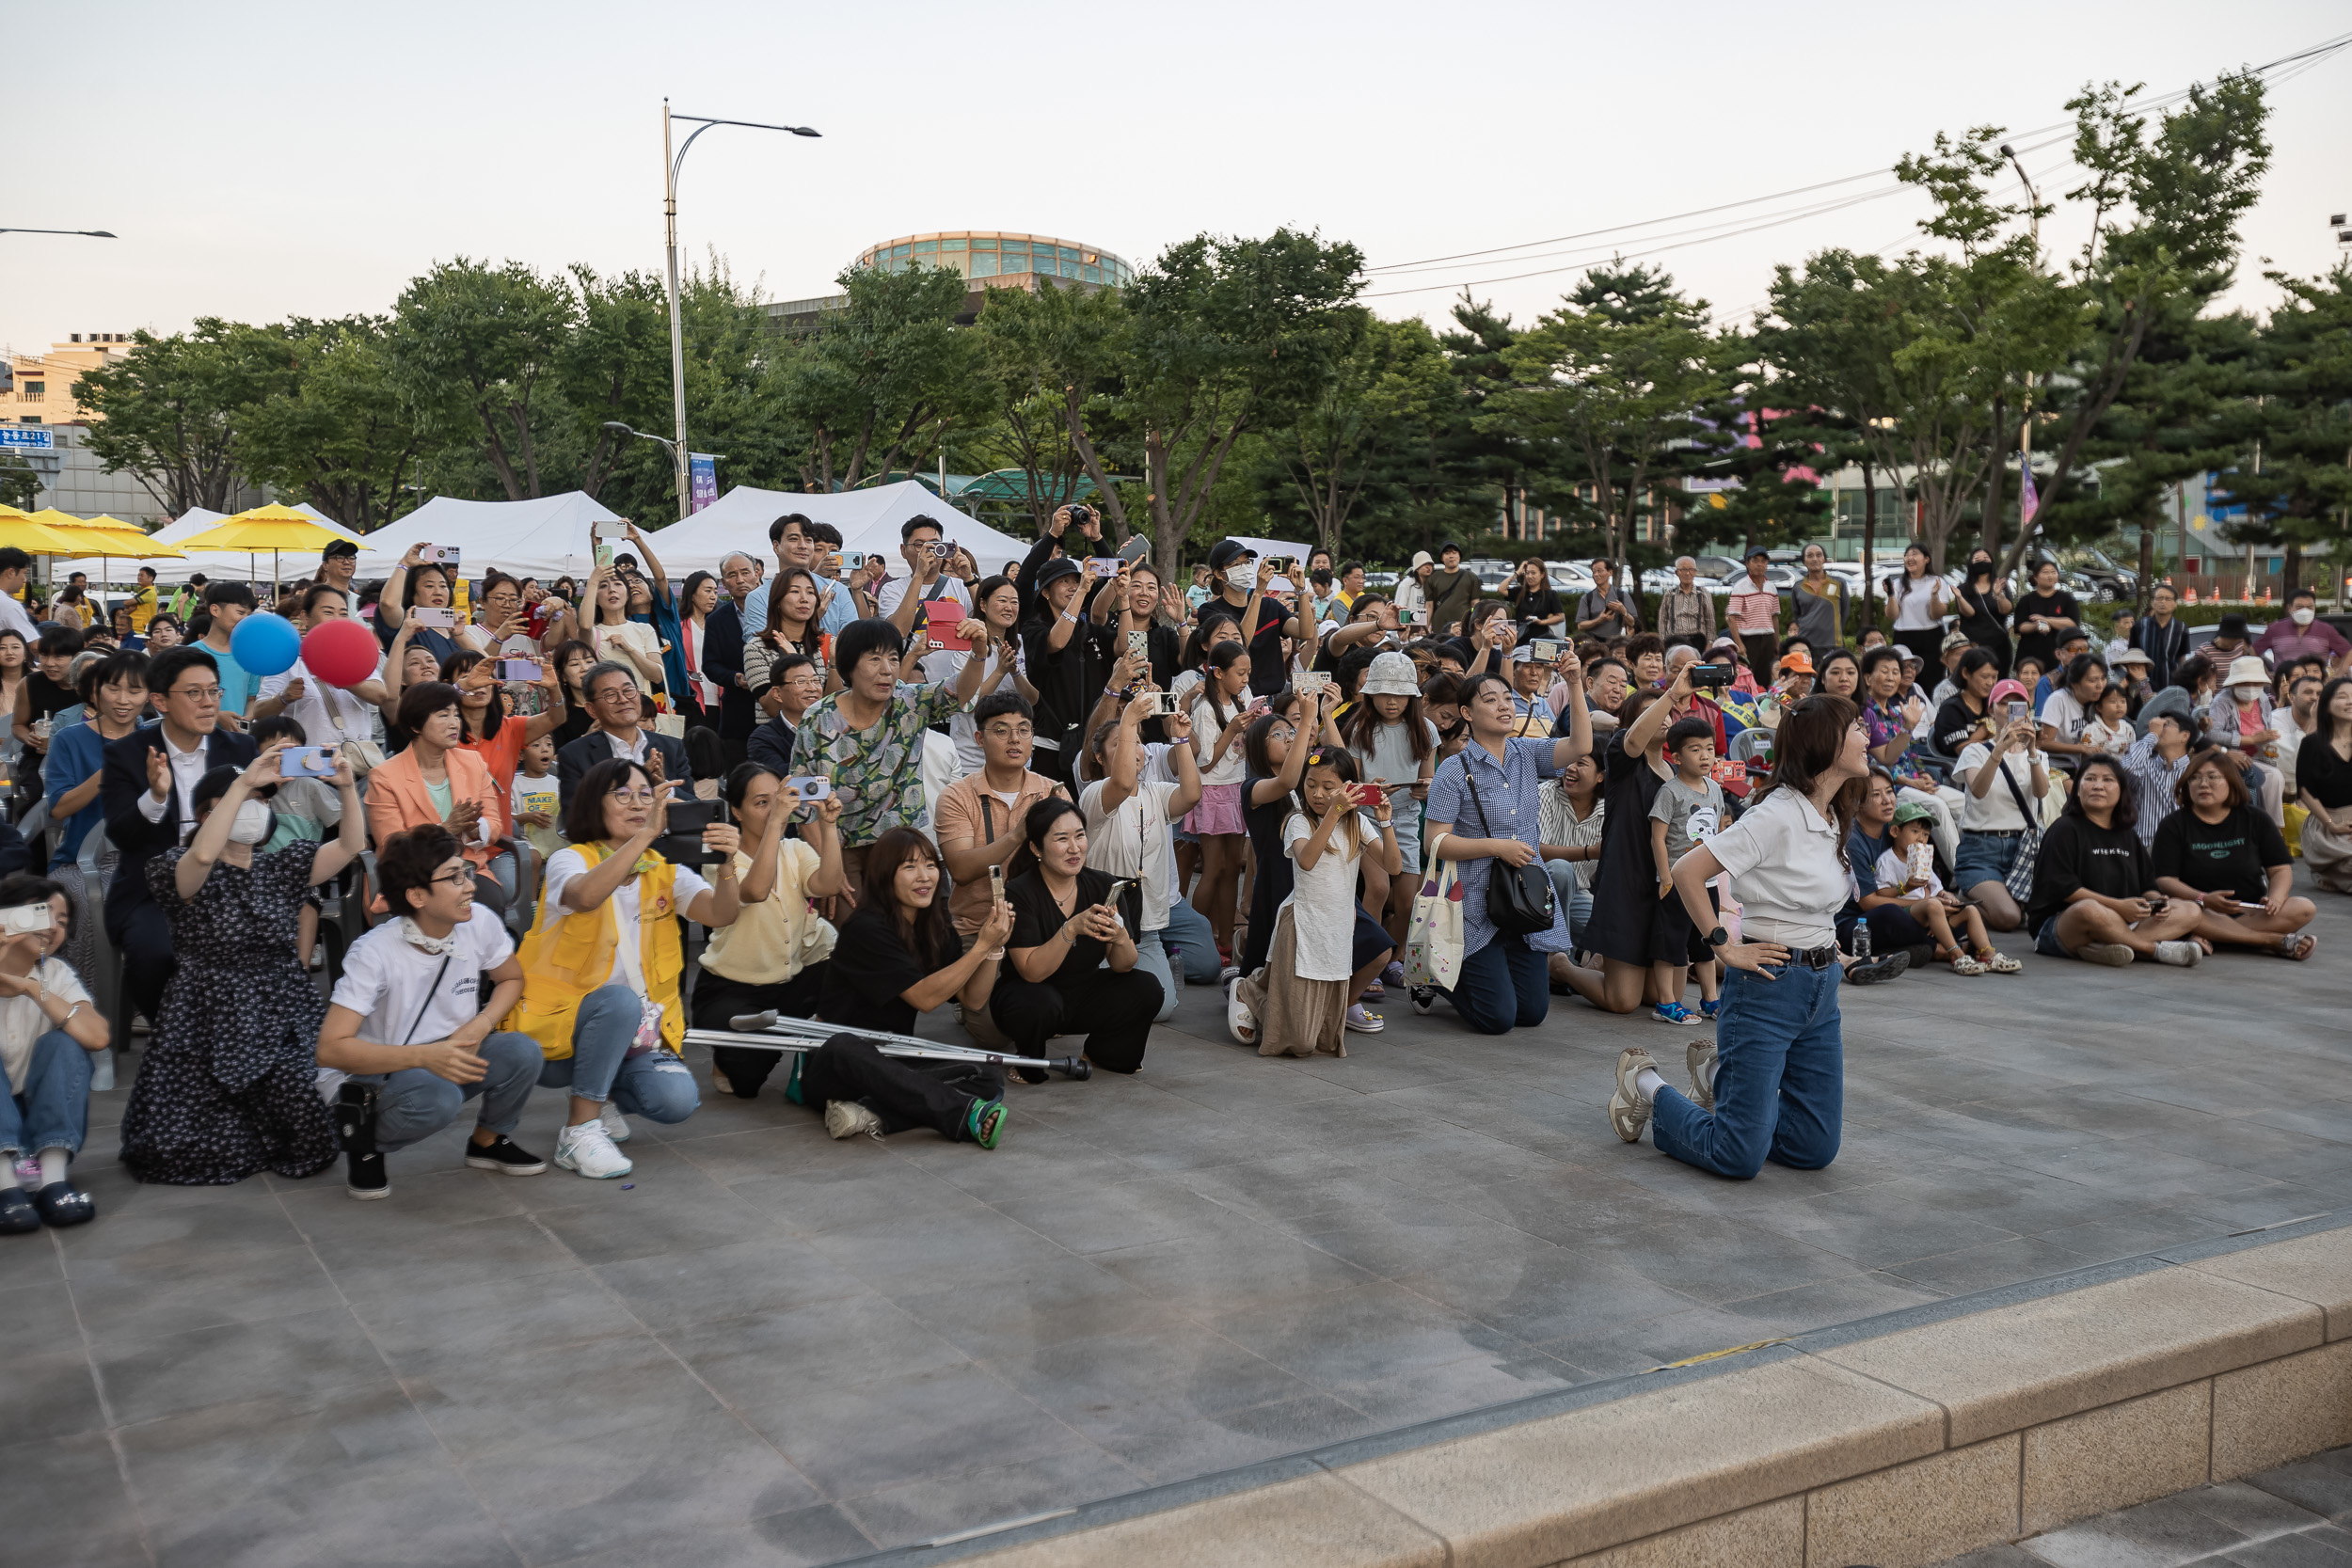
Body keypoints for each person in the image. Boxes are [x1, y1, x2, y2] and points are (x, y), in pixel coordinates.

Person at [1607, 693, 1870, 1179]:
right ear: (1826, 742)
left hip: (1820, 988)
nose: (1866, 735)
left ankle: (1717, 1080)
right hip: (1768, 985)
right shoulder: (1777, 814)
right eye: (1855, 727)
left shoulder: (1832, 814)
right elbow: (1688, 870)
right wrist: (1722, 944)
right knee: (1736, 1155)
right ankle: (1645, 1085)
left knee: (1813, 1149)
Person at [118, 744, 366, 1184]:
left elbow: (350, 844)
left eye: (260, 801)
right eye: (236, 801)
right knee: (198, 1135)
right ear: (204, 816)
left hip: (282, 1004)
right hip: (209, 1015)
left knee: (304, 1102)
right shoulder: (179, 867)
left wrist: (347, 789)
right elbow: (201, 857)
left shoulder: (281, 866)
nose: (251, 809)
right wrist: (243, 781)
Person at [512, 758, 739, 1179]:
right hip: (556, 1031)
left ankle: (604, 1098)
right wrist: (647, 836)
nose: (638, 804)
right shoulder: (570, 859)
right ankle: (578, 1130)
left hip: (636, 1034)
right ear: (592, 804)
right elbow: (583, 896)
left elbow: (720, 914)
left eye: (644, 795)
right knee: (617, 1001)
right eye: (623, 795)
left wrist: (727, 864)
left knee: (676, 1101)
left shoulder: (662, 868)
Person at [316, 825, 546, 1200]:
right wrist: (425, 1056)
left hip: (447, 1053)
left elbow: (511, 979)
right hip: (376, 1073)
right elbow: (330, 1051)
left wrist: (480, 1023)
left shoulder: (479, 922)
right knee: (438, 1098)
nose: (470, 885)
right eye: (454, 877)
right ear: (417, 896)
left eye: (466, 872)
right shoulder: (373, 952)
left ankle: (486, 1143)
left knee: (521, 1051)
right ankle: (364, 1143)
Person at [1422, 656, 1593, 1032]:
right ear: (1466, 712)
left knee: (1531, 1014)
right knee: (1497, 1019)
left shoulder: (1526, 753)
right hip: (1476, 906)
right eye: (1490, 700)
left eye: (1506, 698)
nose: (1503, 705)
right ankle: (1435, 980)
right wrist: (1496, 846)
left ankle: (1477, 977)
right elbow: (1433, 841)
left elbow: (1581, 744)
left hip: (1525, 901)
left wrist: (1576, 682)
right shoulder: (1454, 768)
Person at [812, 826, 1011, 1147]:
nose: (924, 876)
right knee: (844, 1044)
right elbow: (924, 998)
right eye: (909, 867)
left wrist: (994, 947)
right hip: (839, 1064)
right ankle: (963, 1114)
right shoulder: (865, 929)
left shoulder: (934, 928)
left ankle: (870, 1114)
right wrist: (979, 947)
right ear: (884, 876)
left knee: (985, 1074)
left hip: (894, 1055)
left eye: (930, 865)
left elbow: (972, 1000)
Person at [101, 647, 260, 1027]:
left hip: (229, 879)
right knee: (153, 952)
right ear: (160, 701)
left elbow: (259, 830)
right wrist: (155, 796)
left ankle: (243, 1034)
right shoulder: (127, 754)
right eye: (194, 693)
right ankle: (173, 1035)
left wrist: (266, 793)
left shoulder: (240, 748)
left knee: (260, 943)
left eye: (214, 691)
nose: (209, 704)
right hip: (153, 885)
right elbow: (122, 835)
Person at [793, 617, 992, 887]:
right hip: (840, 846)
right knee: (849, 919)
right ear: (849, 666)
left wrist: (979, 653)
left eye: (894, 659)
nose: (887, 670)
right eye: (874, 659)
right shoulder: (818, 718)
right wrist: (827, 862)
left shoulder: (909, 701)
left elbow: (960, 693)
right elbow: (803, 800)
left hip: (903, 844)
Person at [1232, 747, 1398, 1056]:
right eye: (1310, 785)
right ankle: (1249, 990)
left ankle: (1272, 998)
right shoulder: (1298, 822)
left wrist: (1386, 823)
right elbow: (1307, 860)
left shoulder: (1357, 825)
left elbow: (1393, 866)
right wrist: (1334, 813)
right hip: (1301, 925)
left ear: (1348, 788)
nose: (1318, 794)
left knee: (1319, 1039)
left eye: (1328, 787)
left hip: (1337, 927)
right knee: (1300, 1044)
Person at [693, 765, 846, 1098]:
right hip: (730, 989)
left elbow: (829, 884)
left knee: (847, 976)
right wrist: (776, 821)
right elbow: (754, 892)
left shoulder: (795, 849)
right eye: (761, 803)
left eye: (779, 799)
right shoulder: (722, 859)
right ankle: (729, 1054)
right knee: (744, 1084)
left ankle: (809, 1050)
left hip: (789, 981)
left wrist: (828, 826)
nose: (774, 808)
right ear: (736, 810)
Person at [993, 799, 1161, 1074]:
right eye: (1061, 839)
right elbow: (1031, 972)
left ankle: (1103, 1053)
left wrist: (1118, 937)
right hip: (1028, 995)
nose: (1074, 848)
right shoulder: (1020, 892)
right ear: (1036, 847)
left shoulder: (1103, 884)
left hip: (1081, 991)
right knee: (1038, 1002)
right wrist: (1070, 929)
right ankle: (1029, 1060)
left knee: (1146, 988)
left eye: (1080, 836)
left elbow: (1124, 965)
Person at [1079, 689, 1202, 1023]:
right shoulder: (1094, 794)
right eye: (1119, 742)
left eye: (1135, 741)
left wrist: (1180, 741)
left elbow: (1191, 794)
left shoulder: (1155, 792)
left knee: (1161, 1008)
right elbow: (1120, 783)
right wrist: (1130, 718)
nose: (1131, 748)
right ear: (1101, 758)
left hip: (1144, 927)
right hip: (1099, 925)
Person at [0, 875, 108, 1230]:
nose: (51, 927)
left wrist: (33, 989)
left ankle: (51, 1177)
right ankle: (5, 1184)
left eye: (61, 922)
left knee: (65, 1041)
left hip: (34, 1121)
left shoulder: (56, 973)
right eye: (40, 913)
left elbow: (96, 1037)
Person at [2025, 754, 2205, 966]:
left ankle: (2105, 947)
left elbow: (2148, 885)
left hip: (2121, 920)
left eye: (2107, 780)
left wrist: (2158, 902)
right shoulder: (2064, 829)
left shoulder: (2127, 834)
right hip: (2063, 924)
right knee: (2089, 909)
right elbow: (2064, 889)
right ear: (2078, 788)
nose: (2098, 786)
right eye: (2090, 779)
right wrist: (2118, 907)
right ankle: (2153, 949)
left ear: (2121, 791)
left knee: (2190, 910)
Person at [936, 690, 1067, 965]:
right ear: (979, 739)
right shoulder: (956, 796)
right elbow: (960, 870)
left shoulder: (1053, 792)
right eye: (1001, 730)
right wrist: (1019, 834)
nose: (1014, 739)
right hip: (978, 929)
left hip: (1042, 924)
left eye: (1023, 730)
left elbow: (1071, 863)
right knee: (979, 1006)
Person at [2150, 750, 2317, 959]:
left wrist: (2276, 897)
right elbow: (2165, 880)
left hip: (2248, 909)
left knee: (2303, 907)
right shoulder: (2173, 825)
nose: (2203, 784)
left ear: (2231, 782)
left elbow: (2280, 869)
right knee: (2186, 913)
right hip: (2197, 907)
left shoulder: (2256, 819)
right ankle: (2270, 940)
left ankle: (2211, 936)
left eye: (2213, 777)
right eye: (2195, 778)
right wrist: (2204, 898)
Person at [366, 682, 511, 914]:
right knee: (433, 905)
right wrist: (445, 829)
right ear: (415, 725)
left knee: (487, 904)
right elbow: (390, 843)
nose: (455, 723)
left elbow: (494, 825)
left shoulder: (473, 763)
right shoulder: (384, 776)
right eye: (443, 715)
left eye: (456, 714)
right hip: (413, 874)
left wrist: (476, 830)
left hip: (466, 867)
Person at [1344, 652, 1438, 946]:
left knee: (1409, 902)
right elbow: (1350, 786)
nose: (1392, 702)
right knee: (1378, 887)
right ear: (1370, 695)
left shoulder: (1426, 730)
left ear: (1412, 697)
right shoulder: (1360, 730)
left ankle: (1393, 958)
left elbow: (1428, 778)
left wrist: (1426, 788)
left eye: (1399, 695)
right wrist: (1372, 790)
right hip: (1366, 820)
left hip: (1407, 819)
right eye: (1383, 694)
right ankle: (1366, 956)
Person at [1872, 801, 2017, 974]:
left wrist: (1947, 897)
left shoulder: (1923, 860)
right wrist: (1905, 887)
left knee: (1970, 909)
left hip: (1931, 916)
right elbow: (1881, 892)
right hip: (1908, 915)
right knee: (1933, 904)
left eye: (1926, 834)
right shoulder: (1888, 860)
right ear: (1895, 831)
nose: (1921, 838)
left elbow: (1937, 889)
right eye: (1915, 831)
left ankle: (1988, 954)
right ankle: (1957, 954)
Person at [1186, 639, 1261, 974]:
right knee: (1214, 867)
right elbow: (1204, 763)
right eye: (1240, 673)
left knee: (1234, 868)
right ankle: (1199, 939)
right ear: (1218, 672)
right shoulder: (1204, 708)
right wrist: (1232, 729)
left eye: (1248, 673)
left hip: (1235, 789)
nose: (1245, 679)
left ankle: (1226, 939)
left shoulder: (1238, 702)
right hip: (1212, 792)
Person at [252, 582, 392, 758]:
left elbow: (380, 695)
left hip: (354, 761)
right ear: (305, 617)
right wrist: (283, 698)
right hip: (308, 762)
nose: (336, 619)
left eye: (342, 613)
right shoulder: (289, 659)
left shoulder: (356, 653)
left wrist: (343, 680)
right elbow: (259, 712)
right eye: (328, 612)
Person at [1646, 717, 1726, 1023]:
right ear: (1677, 757)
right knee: (1671, 944)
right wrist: (1665, 877)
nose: (1705, 756)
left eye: (1709, 748)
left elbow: (1718, 835)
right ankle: (1666, 1003)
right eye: (1696, 750)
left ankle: (1711, 1000)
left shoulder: (1715, 790)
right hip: (1676, 884)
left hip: (1706, 883)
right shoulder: (1670, 792)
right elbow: (1658, 837)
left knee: (1708, 941)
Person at [1948, 688, 2049, 930]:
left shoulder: (2040, 755)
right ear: (1991, 710)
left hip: (2023, 849)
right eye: (2003, 704)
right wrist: (1999, 750)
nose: (2009, 709)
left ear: (2027, 710)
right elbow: (1979, 791)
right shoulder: (1975, 750)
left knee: (2044, 911)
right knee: (2009, 918)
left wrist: (2032, 750)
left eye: (2017, 703)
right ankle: (1967, 899)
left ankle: (1995, 897)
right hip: (1981, 851)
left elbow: (2041, 792)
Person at [43, 649, 145, 875]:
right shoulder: (69, 739)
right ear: (96, 691)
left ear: (150, 695)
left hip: (146, 858)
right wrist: (108, 772)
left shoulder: (154, 739)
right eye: (113, 689)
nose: (123, 700)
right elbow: (59, 809)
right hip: (82, 862)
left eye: (135, 691)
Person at [553, 662, 691, 813]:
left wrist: (664, 787)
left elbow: (695, 808)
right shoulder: (575, 755)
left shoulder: (672, 747)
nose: (623, 699)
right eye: (610, 695)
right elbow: (573, 819)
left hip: (668, 835)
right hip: (613, 836)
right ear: (592, 710)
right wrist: (633, 782)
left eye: (628, 691)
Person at [375, 546, 462, 665]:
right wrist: (404, 564)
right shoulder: (405, 625)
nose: (438, 592)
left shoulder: (457, 630)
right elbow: (388, 604)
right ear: (412, 593)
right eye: (429, 586)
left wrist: (461, 635)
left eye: (443, 586)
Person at [746, 651, 822, 776]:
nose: (812, 688)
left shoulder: (837, 727)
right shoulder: (764, 738)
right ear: (777, 694)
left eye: (815, 680)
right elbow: (782, 777)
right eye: (801, 681)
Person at [2037, 653, 2112, 766]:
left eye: (2103, 678)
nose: (2100, 685)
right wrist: (2081, 748)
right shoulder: (2059, 699)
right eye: (2092, 680)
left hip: (2089, 763)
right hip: (2059, 764)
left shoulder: (2101, 699)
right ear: (2075, 683)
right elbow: (2045, 743)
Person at [2250, 585, 2351, 670]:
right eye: (2299, 607)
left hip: (2316, 688)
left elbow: (2348, 653)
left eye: (2310, 607)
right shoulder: (2275, 629)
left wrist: (2337, 675)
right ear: (2290, 608)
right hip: (2283, 687)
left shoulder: (2326, 630)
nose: (2305, 610)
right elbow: (2253, 651)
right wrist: (2266, 674)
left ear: (2315, 608)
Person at [2010, 559, 2080, 674]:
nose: (2050, 576)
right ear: (2036, 577)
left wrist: (2047, 620)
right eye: (2045, 572)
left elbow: (2073, 623)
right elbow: (2020, 626)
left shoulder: (2066, 599)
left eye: (2053, 572)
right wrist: (2035, 626)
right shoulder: (2026, 600)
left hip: (2058, 656)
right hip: (2030, 656)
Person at [1883, 544, 1948, 667]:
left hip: (1930, 635)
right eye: (1906, 555)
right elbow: (1892, 615)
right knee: (1903, 676)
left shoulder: (1936, 582)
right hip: (1903, 635)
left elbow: (1937, 615)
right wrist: (1890, 594)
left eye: (1914, 554)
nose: (1909, 558)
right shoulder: (1897, 584)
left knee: (1931, 677)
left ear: (1926, 559)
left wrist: (1934, 596)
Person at [2130, 582, 2191, 690]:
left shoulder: (2181, 628)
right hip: (2144, 687)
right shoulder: (2140, 626)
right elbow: (2132, 657)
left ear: (2175, 604)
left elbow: (2182, 659)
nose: (2163, 602)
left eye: (2168, 599)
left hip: (2172, 686)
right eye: (2159, 598)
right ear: (2153, 603)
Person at [1786, 544, 1845, 654]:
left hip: (1833, 643)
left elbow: (1844, 613)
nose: (1814, 559)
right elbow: (1797, 614)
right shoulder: (1798, 587)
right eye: (1810, 556)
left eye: (1818, 555)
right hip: (1806, 643)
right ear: (1804, 561)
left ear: (1824, 559)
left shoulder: (1839, 583)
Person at [1422, 543, 1482, 640]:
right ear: (1441, 558)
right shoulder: (1433, 578)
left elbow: (1475, 604)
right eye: (1447, 553)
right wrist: (1425, 627)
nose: (1451, 556)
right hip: (1439, 626)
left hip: (1463, 626)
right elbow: (1429, 605)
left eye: (1454, 552)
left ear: (1459, 556)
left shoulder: (1471, 577)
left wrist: (1474, 623)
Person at [1506, 557, 1565, 634]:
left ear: (1542, 574)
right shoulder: (1520, 591)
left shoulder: (1550, 594)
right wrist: (1517, 573)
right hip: (1520, 639)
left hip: (1541, 639)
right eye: (1527, 573)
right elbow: (1501, 589)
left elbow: (1560, 617)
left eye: (1533, 573)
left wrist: (1542, 622)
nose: (1529, 576)